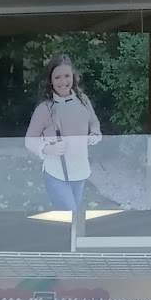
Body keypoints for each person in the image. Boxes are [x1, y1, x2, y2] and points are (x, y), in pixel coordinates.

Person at [24, 53, 103, 227]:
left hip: (80, 171)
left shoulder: (83, 100)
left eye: (67, 76)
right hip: (56, 173)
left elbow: (94, 121)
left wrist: (95, 134)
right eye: (57, 77)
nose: (63, 81)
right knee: (70, 216)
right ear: (50, 80)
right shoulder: (45, 108)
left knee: (74, 219)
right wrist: (47, 149)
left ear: (73, 76)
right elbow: (29, 140)